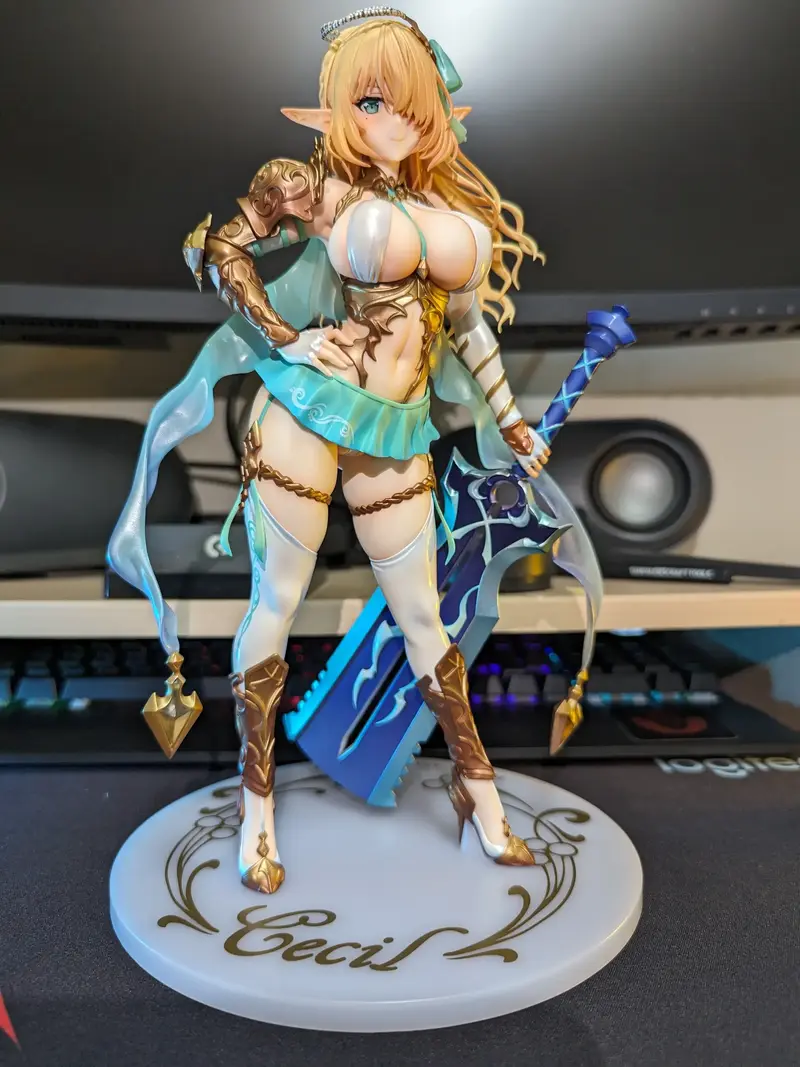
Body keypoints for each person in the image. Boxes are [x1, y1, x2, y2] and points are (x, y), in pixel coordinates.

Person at [109, 8, 592, 897]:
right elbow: (221, 249)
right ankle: (257, 805)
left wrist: (511, 417)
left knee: (425, 618)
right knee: (278, 600)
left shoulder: (444, 209)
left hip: (396, 427)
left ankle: (479, 793)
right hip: (308, 412)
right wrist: (287, 337)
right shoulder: (312, 186)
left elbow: (469, 328)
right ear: (337, 107)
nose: (394, 122)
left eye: (411, 104)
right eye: (372, 102)